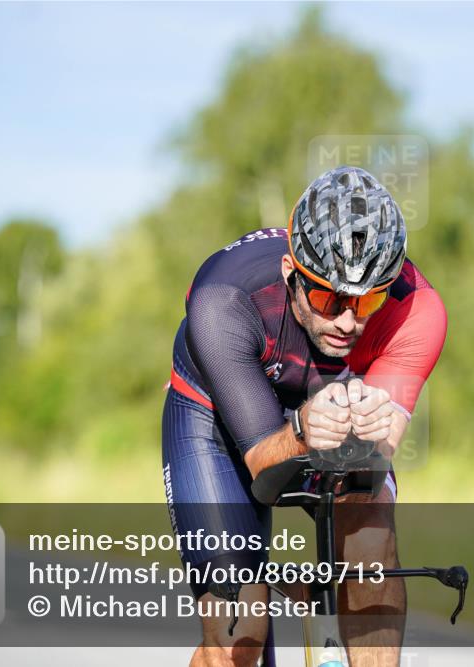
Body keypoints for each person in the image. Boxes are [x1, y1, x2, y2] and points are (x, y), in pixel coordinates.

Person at [162, 165, 447, 666]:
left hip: (323, 407)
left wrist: (333, 581)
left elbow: (368, 468)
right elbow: (263, 463)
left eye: (367, 301)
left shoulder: (417, 312)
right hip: (215, 415)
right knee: (238, 639)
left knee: (370, 542)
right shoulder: (223, 303)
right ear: (293, 273)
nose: (347, 321)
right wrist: (299, 429)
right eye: (329, 297)